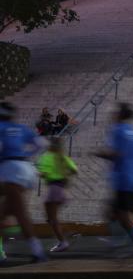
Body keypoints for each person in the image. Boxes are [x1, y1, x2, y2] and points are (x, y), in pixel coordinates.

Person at [95, 103, 133, 259]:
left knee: (126, 218)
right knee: (113, 212)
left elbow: (116, 153)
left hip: (123, 178)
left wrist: (99, 153)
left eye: (115, 112)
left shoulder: (117, 130)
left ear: (120, 114)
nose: (112, 115)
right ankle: (120, 240)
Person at [0, 102, 48, 262]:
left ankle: (38, 252)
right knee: (5, 211)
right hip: (26, 168)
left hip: (10, 169)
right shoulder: (21, 128)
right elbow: (43, 143)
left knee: (20, 213)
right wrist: (26, 153)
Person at [36, 136, 78, 252]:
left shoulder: (46, 157)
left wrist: (36, 172)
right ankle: (66, 233)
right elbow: (75, 170)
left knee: (52, 219)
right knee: (51, 218)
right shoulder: (63, 157)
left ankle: (63, 242)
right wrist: (64, 174)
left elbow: (44, 174)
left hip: (53, 189)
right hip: (61, 189)